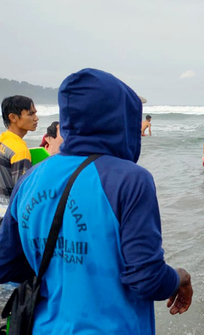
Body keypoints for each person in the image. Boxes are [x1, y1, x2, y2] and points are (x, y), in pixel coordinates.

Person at [0, 68, 192, 333]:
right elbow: (147, 280)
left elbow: (5, 264)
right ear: (118, 117)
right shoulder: (131, 180)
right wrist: (180, 276)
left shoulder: (32, 177)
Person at [0, 95, 39, 207]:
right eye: (31, 114)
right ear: (13, 117)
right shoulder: (20, 151)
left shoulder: (3, 140)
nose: (36, 118)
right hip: (7, 215)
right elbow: (22, 193)